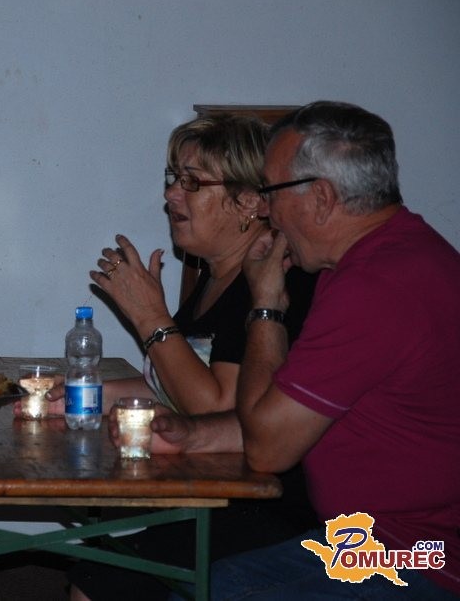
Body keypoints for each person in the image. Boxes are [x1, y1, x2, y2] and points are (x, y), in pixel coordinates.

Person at [157, 101, 459, 598]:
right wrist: (192, 436)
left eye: (271, 192)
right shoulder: (396, 255)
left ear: (321, 197)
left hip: (416, 554)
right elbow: (288, 415)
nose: (266, 210)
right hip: (369, 541)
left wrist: (266, 306)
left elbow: (267, 448)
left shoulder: (375, 287)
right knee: (197, 586)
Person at [62, 115, 319, 600]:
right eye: (173, 178)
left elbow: (214, 407)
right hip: (222, 491)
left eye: (192, 182)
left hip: (275, 509)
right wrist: (81, 393)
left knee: (100, 582)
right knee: (97, 566)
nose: (170, 195)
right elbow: (176, 383)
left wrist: (150, 318)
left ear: (249, 201)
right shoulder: (216, 276)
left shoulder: (269, 282)